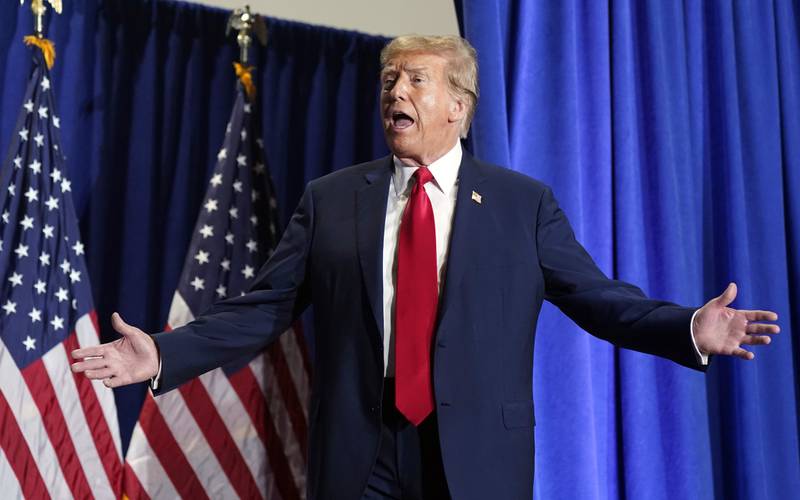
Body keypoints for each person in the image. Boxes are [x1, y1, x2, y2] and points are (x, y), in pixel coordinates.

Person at [71, 35, 779, 500]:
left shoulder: (520, 205)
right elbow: (262, 307)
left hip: (474, 460)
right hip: (360, 454)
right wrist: (161, 354)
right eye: (388, 81)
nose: (394, 93)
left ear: (460, 109)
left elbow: (598, 299)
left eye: (414, 80)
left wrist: (688, 326)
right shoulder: (333, 199)